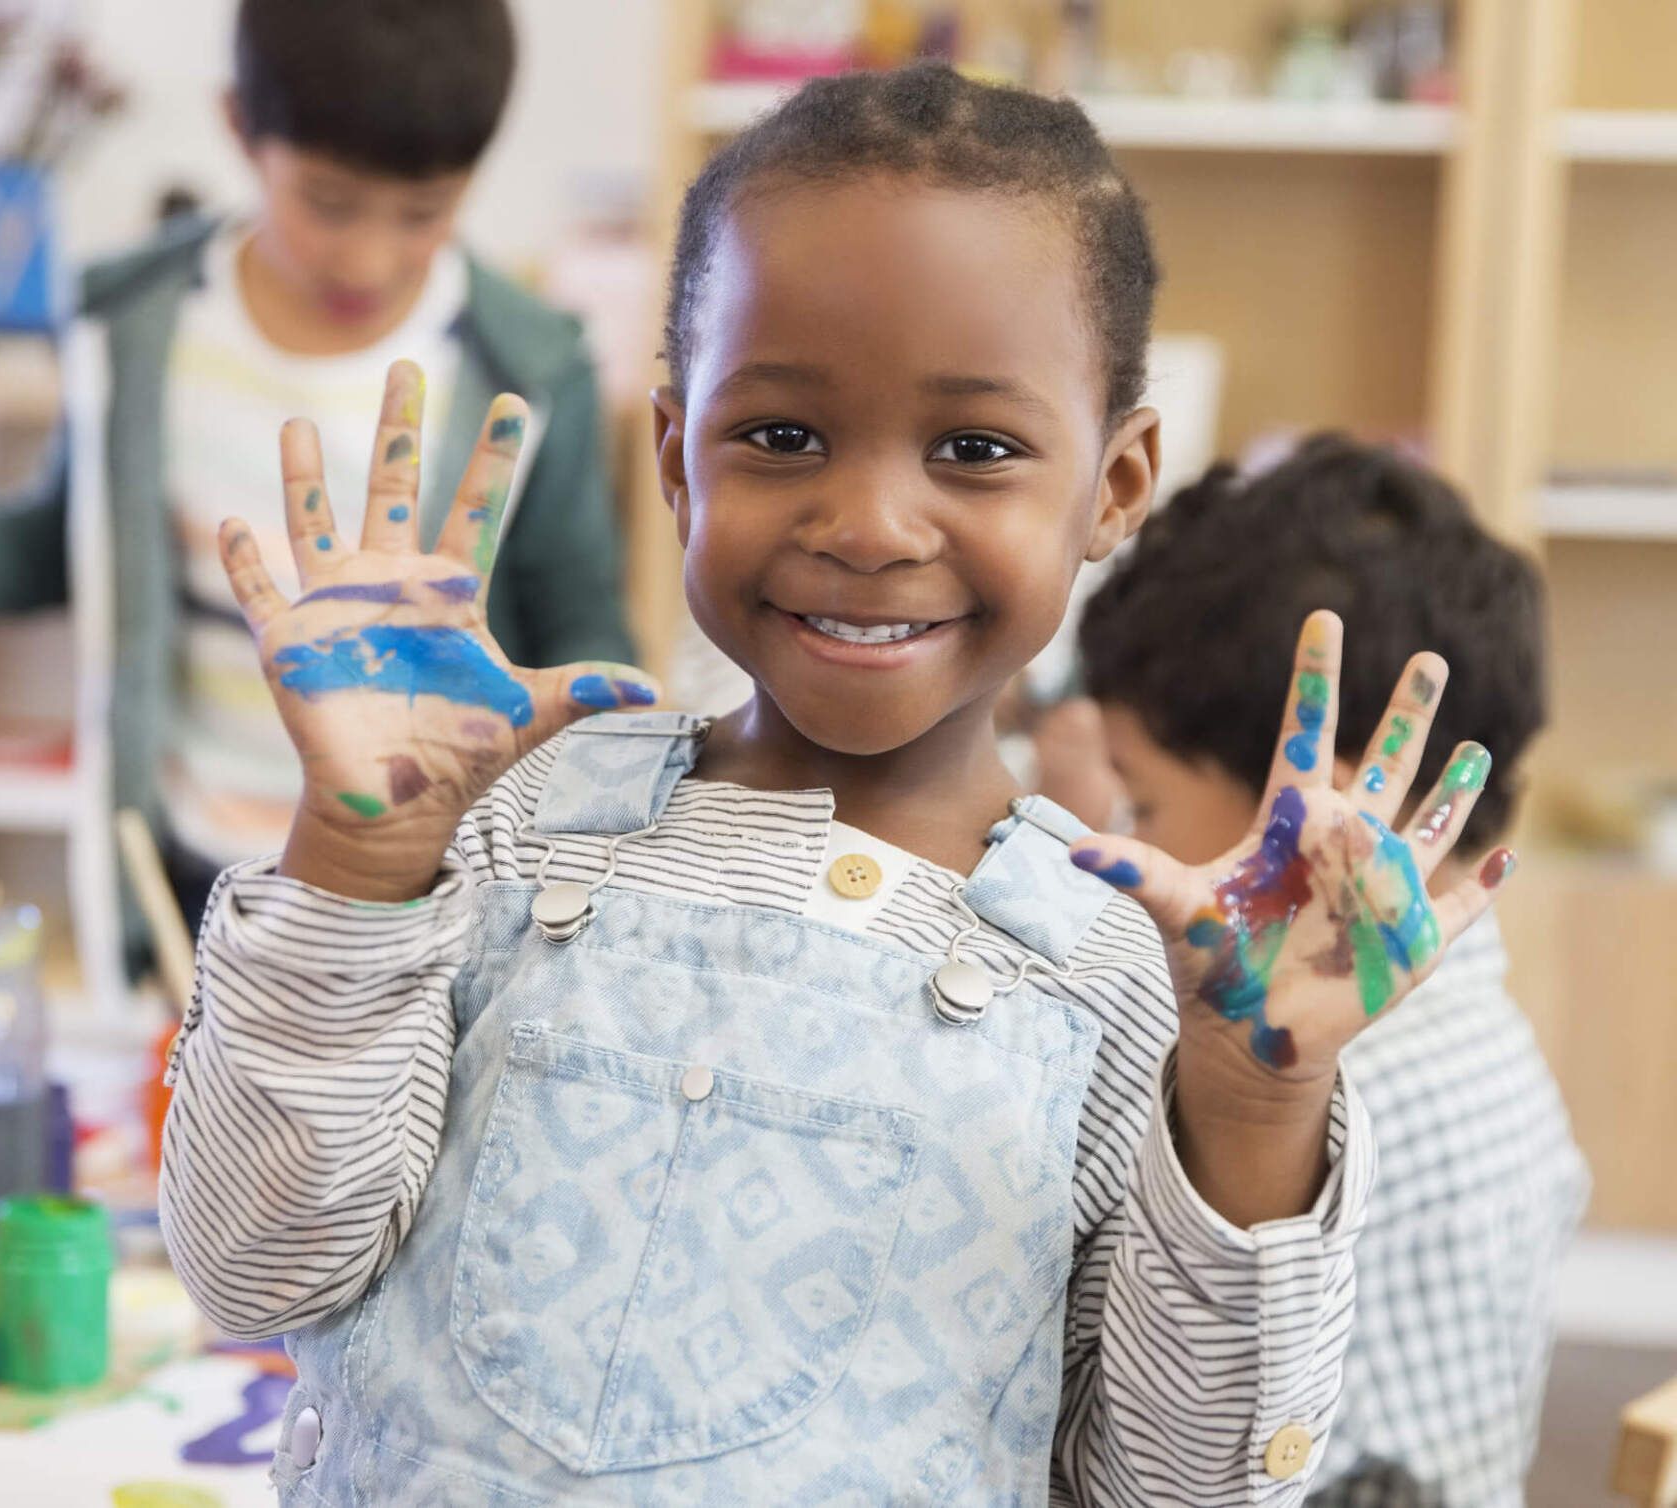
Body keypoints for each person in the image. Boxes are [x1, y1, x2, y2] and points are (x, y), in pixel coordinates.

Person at [160, 66, 1510, 1504]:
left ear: (1115, 485)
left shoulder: (1129, 976)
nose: (868, 524)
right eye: (784, 436)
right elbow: (257, 1265)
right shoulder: (506, 830)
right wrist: (356, 873)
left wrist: (1248, 1111)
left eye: (974, 450)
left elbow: (1189, 1491)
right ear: (678, 458)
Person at [0, 0, 635, 949]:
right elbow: (71, 540)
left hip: (425, 883)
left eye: (422, 214)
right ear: (239, 127)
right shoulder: (134, 328)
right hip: (189, 876)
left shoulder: (533, 371)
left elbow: (583, 623)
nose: (368, 255)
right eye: (330, 204)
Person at [1077, 434, 1589, 1508]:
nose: (1134, 832)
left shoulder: (1309, 1086)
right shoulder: (1485, 1030)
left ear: (1324, 824)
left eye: (1147, 799)